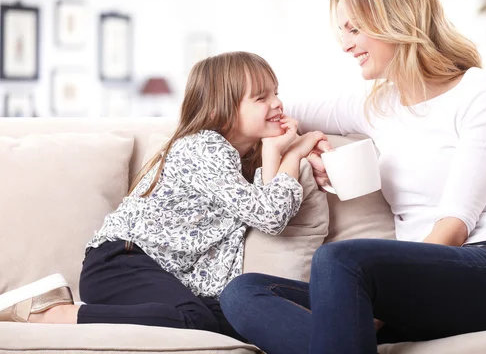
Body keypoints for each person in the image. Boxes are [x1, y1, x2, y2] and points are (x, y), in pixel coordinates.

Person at [219, 0, 486, 354]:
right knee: (244, 292)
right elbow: (284, 111)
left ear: (396, 20)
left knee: (338, 262)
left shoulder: (482, 92)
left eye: (354, 29)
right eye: (342, 31)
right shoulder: (377, 105)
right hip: (419, 284)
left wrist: (383, 298)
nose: (345, 44)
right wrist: (304, 144)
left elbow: (455, 225)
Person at [0, 51, 326, 338]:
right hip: (120, 265)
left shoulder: (234, 159)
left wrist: (274, 152)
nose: (278, 104)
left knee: (235, 317)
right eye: (261, 97)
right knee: (194, 318)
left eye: (276, 93)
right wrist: (293, 155)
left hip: (154, 275)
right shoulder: (203, 148)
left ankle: (337, 317)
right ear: (219, 111)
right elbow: (270, 216)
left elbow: (266, 204)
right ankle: (52, 313)